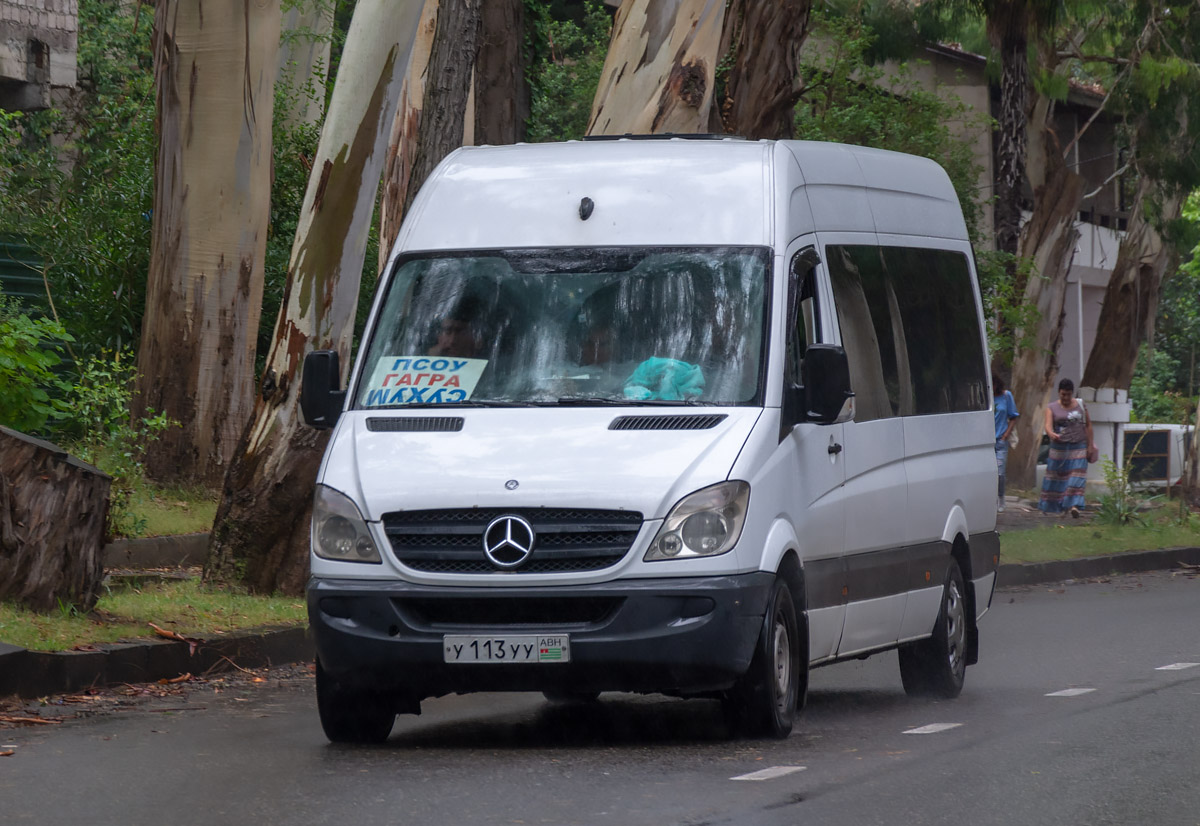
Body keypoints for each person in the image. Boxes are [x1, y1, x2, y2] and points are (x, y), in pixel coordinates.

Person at [1039, 378, 1095, 517]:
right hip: (1059, 449)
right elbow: (1047, 425)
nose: (1065, 397)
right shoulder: (1051, 407)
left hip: (1079, 447)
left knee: (1076, 477)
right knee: (1056, 478)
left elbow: (1088, 425)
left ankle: (1073, 506)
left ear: (1072, 393)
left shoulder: (1081, 405)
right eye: (1063, 394)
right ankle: (1053, 507)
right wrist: (1051, 433)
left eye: (1068, 394)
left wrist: (1090, 445)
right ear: (1059, 393)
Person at [993, 373, 1019, 513]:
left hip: (1001, 441)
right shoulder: (986, 398)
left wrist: (1006, 435)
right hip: (987, 441)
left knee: (1000, 473)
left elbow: (1013, 416)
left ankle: (1001, 496)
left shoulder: (1006, 396)